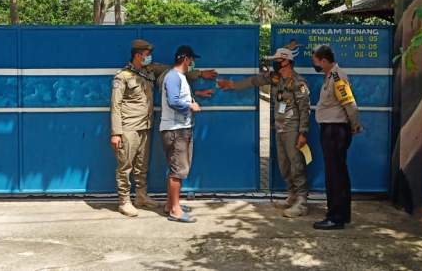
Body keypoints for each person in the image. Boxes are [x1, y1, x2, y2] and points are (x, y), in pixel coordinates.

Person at [110, 39, 216, 218]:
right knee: (125, 165)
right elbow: (116, 105)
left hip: (146, 125)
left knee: (142, 165)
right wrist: (116, 132)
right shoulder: (123, 76)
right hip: (128, 127)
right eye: (146, 55)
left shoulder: (149, 71)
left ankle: (141, 197)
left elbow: (175, 72)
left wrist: (199, 75)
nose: (149, 57)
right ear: (138, 55)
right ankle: (124, 201)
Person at [218, 48, 311, 217]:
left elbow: (305, 109)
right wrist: (232, 85)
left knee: (296, 164)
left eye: (277, 60)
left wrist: (303, 133)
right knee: (284, 165)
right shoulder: (275, 78)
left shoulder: (299, 82)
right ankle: (292, 195)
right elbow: (254, 81)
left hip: (293, 129)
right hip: (279, 128)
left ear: (287, 62)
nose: (274, 63)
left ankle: (302, 202)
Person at [311, 44, 363, 230]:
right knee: (337, 173)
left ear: (324, 61)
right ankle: (341, 214)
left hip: (335, 131)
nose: (315, 65)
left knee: (335, 175)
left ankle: (336, 217)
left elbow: (350, 103)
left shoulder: (337, 76)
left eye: (316, 61)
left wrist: (355, 124)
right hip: (332, 130)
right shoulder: (330, 76)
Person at [160, 45, 205, 223]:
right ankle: (175, 211)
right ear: (185, 59)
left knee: (176, 168)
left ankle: (169, 204)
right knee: (178, 171)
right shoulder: (173, 77)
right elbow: (173, 101)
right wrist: (190, 106)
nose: (192, 63)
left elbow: (181, 97)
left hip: (180, 128)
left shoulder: (180, 77)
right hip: (175, 130)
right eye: (192, 59)